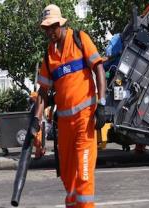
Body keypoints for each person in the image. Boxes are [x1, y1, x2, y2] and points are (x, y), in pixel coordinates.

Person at [32, 4, 106, 208]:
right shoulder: (49, 56)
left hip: (85, 120)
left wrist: (102, 103)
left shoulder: (80, 39)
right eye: (46, 28)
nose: (49, 32)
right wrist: (36, 121)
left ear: (61, 24)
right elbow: (43, 92)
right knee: (67, 177)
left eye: (52, 27)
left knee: (83, 176)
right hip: (64, 125)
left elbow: (98, 68)